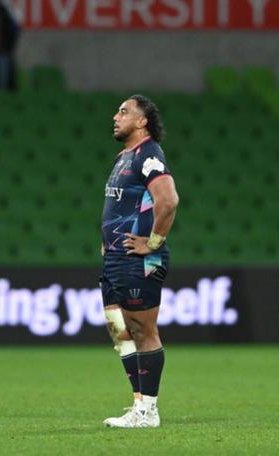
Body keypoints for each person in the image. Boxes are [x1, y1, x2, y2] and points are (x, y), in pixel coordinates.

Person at [100, 95, 179, 428]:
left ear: (142, 121)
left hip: (137, 259)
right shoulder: (124, 157)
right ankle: (138, 405)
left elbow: (169, 200)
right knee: (120, 330)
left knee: (142, 330)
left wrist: (155, 242)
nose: (116, 116)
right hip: (116, 258)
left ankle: (149, 410)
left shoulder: (149, 154)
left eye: (124, 112)